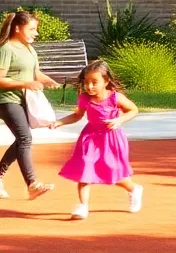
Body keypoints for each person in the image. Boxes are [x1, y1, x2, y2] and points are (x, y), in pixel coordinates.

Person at [50, 60, 143, 219]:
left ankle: (134, 189)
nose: (89, 86)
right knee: (85, 169)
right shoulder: (84, 98)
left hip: (111, 139)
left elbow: (133, 110)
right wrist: (60, 122)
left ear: (106, 81)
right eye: (86, 82)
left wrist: (119, 120)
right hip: (90, 139)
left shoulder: (115, 97)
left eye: (94, 82)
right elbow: (77, 115)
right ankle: (83, 206)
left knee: (112, 173)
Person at [0, 10, 60, 201]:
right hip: (6, 100)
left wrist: (48, 80)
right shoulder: (6, 49)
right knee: (25, 138)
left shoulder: (29, 49)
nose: (36, 33)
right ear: (17, 28)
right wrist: (25, 84)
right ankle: (32, 184)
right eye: (32, 29)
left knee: (22, 140)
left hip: (23, 100)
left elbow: (35, 73)